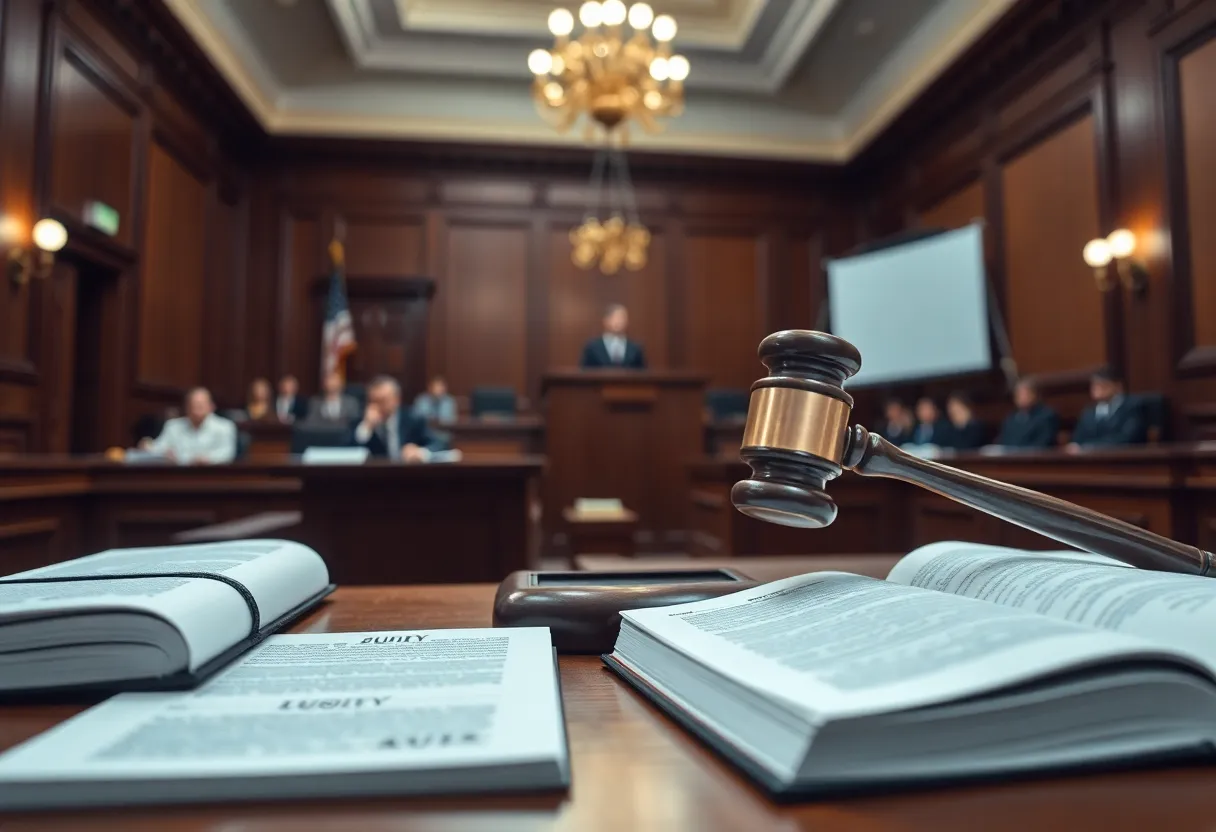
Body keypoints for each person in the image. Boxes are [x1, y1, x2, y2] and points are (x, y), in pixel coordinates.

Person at [350, 375, 443, 462]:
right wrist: (366, 427)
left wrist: (421, 452)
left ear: (396, 399)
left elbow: (439, 444)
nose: (377, 406)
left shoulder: (413, 419)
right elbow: (348, 451)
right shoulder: (361, 420)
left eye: (382, 401)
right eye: (372, 401)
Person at [139, 387, 236, 464]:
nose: (196, 411)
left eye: (200, 406)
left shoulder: (225, 427)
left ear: (211, 407)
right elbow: (158, 449)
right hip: (178, 477)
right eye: (193, 406)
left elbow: (227, 454)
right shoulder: (173, 426)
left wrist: (208, 459)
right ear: (186, 407)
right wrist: (148, 446)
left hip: (211, 477)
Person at [1068, 368, 1148, 450]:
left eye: (1102, 384)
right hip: (1090, 460)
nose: (1096, 388)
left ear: (1118, 386)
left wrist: (1089, 447)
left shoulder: (1132, 406)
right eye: (1094, 385)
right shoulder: (1088, 413)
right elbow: (1077, 441)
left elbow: (1128, 439)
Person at [996, 378, 1060, 448]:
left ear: (1035, 395)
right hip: (1011, 457)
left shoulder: (1047, 416)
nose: (1022, 398)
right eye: (1019, 395)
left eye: (1026, 394)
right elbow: (1004, 442)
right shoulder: (1010, 419)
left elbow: (1043, 444)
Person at [580, 304, 647, 369]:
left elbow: (643, 374)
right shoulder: (592, 347)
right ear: (605, 320)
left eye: (622, 318)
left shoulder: (635, 348)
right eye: (615, 317)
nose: (619, 321)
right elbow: (584, 373)